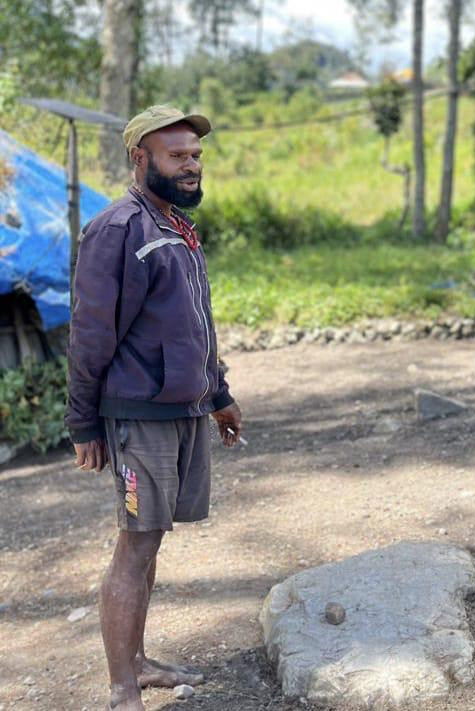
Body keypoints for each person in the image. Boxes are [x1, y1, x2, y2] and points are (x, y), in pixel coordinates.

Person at [66, 105, 243, 711]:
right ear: (140, 158)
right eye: (177, 156)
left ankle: (139, 662)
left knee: (154, 538)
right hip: (138, 415)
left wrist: (218, 394)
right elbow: (90, 334)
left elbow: (195, 324)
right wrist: (84, 421)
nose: (192, 166)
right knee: (136, 542)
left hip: (184, 411)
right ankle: (121, 688)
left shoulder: (177, 227)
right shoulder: (118, 231)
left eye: (195, 156)